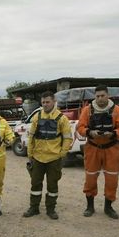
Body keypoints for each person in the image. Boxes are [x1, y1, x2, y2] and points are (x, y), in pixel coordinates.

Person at [76, 85, 119, 219]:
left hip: (111, 148)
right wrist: (89, 132)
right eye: (97, 96)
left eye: (102, 95)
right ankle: (90, 206)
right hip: (93, 148)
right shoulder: (87, 110)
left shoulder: (117, 110)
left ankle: (108, 207)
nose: (100, 98)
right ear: (95, 97)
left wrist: (113, 134)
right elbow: (80, 127)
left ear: (108, 95)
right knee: (90, 177)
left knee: (112, 179)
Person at [22, 91, 73, 219]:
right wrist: (30, 154)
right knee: (35, 184)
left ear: (54, 102)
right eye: (43, 102)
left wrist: (62, 153)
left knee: (52, 185)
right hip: (38, 157)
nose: (45, 104)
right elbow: (31, 136)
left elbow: (67, 138)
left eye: (47, 102)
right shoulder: (36, 117)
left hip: (54, 158)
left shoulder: (62, 118)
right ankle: (34, 208)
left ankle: (51, 209)